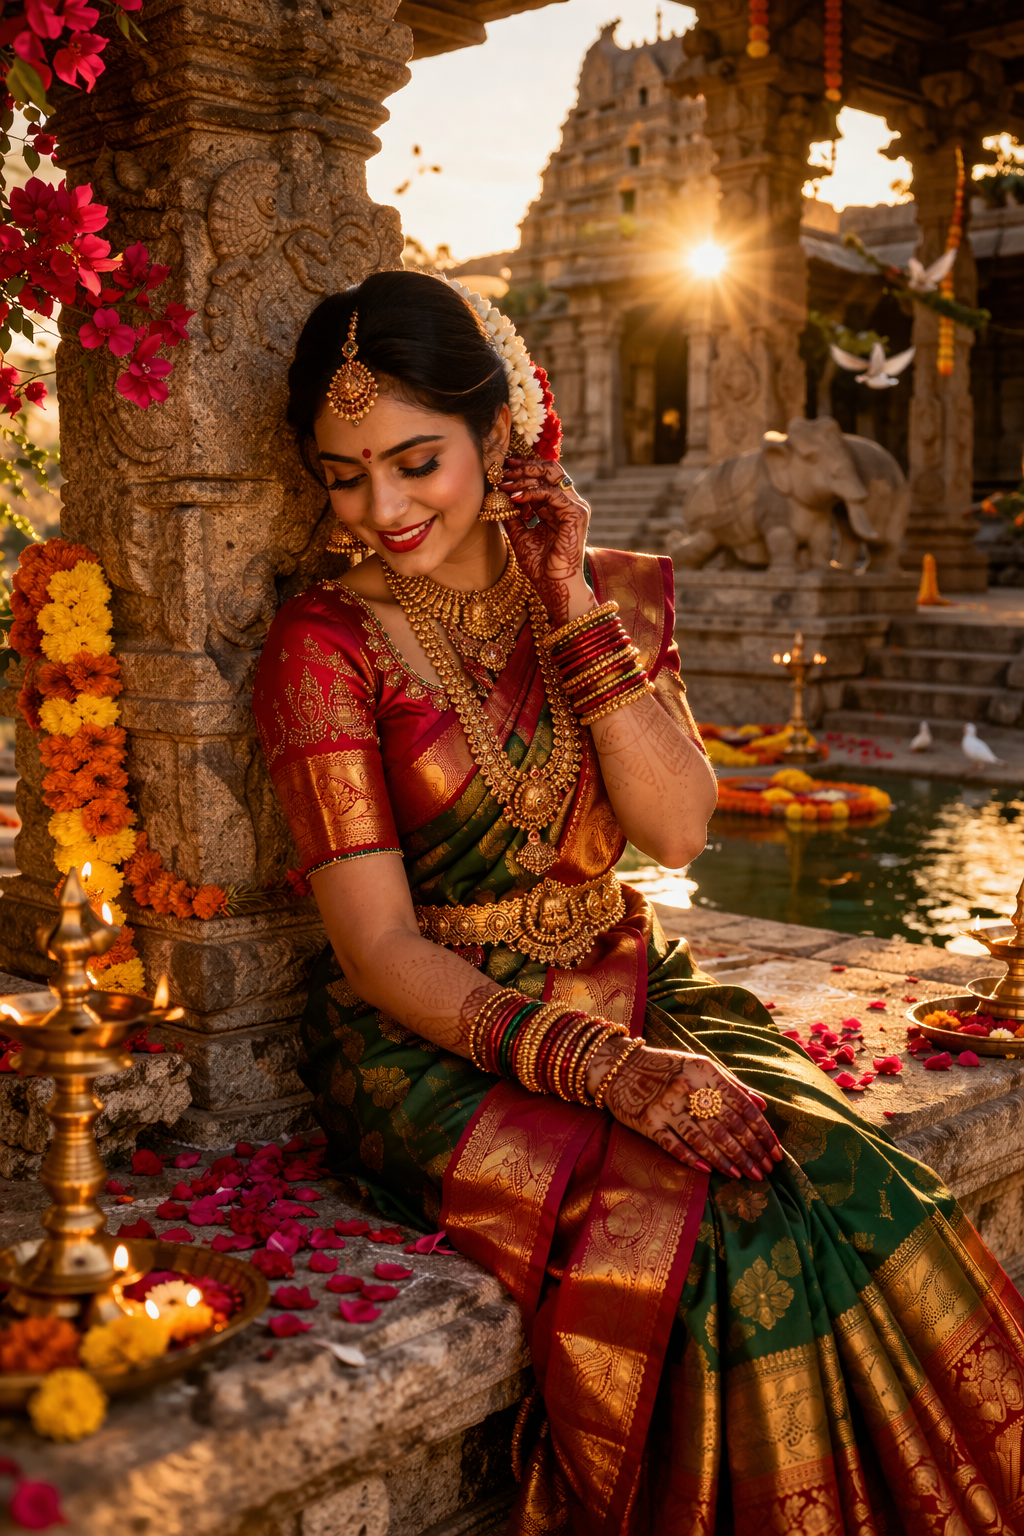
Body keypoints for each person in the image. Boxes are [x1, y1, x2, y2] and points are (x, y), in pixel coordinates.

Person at [253, 269, 1024, 1535]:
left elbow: (674, 829)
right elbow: (380, 948)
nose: (378, 507)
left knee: (843, 1180)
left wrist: (567, 601)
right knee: (711, 1243)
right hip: (438, 1042)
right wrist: (615, 1075)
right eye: (343, 475)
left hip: (634, 976)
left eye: (414, 461)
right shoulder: (325, 647)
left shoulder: (613, 589)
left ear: (497, 437)